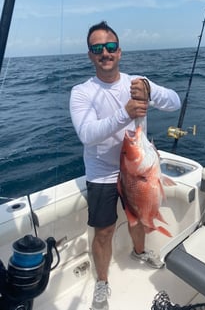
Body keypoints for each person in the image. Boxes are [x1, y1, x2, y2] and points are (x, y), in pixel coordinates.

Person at [69, 21, 181, 310]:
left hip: (139, 170)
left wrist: (150, 91)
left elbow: (175, 102)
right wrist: (125, 113)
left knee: (138, 218)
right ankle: (102, 282)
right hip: (103, 174)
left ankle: (139, 252)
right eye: (97, 48)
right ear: (90, 55)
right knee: (104, 231)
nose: (104, 52)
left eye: (110, 47)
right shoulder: (81, 92)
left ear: (119, 51)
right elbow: (87, 134)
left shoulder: (137, 82)